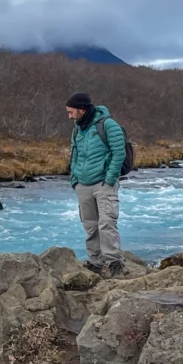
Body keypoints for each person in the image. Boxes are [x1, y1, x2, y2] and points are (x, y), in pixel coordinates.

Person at [67, 92, 126, 278]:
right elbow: (74, 154)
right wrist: (74, 180)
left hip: (103, 183)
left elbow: (119, 153)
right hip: (82, 185)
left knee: (107, 223)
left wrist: (109, 179)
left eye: (71, 112)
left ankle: (115, 263)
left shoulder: (108, 125)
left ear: (82, 110)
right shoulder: (77, 129)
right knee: (90, 225)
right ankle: (95, 262)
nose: (69, 116)